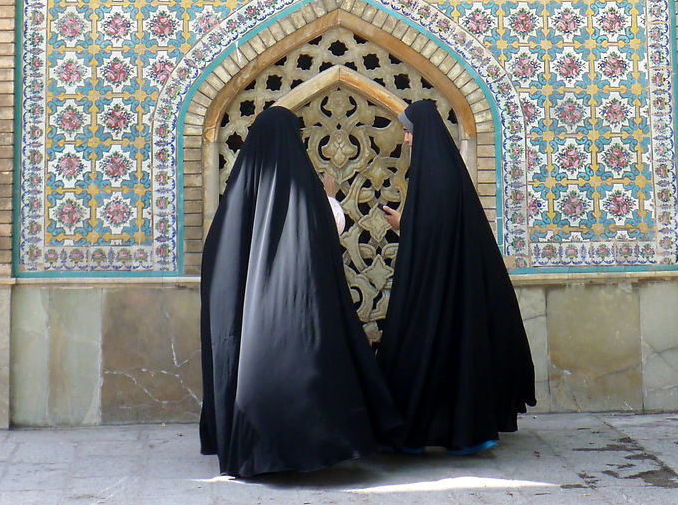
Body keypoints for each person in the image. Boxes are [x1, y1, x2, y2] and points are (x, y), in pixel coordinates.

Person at [199, 106, 402, 478]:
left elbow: (221, 259)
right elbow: (325, 230)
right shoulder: (305, 190)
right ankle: (310, 447)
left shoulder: (239, 194)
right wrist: (328, 196)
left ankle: (250, 444)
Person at [376, 99, 536, 454]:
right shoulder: (444, 171)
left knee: (428, 350)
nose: (405, 140)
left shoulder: (434, 175)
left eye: (407, 131)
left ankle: (420, 433)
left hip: (437, 291)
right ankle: (468, 432)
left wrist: (403, 224)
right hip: (458, 290)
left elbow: (433, 233)